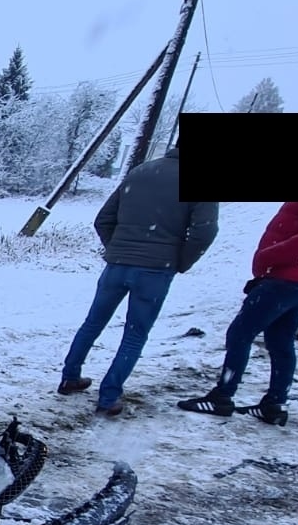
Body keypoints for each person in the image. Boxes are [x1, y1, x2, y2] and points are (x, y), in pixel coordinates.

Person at [58, 146, 219, 416]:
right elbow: (205, 232)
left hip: (117, 266)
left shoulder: (140, 172)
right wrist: (181, 261)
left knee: (93, 322)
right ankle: (108, 397)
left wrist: (117, 249)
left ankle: (70, 377)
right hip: (155, 270)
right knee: (134, 334)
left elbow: (103, 219)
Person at [176, 200, 298, 426]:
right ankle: (274, 404)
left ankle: (222, 397)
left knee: (240, 333)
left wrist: (269, 256)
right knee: (280, 339)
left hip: (289, 277)